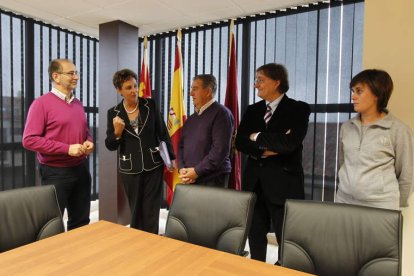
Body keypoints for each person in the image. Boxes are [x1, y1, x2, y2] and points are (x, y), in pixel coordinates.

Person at [235, 63, 310, 262]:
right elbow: (240, 142)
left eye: (260, 79)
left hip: (284, 185)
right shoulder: (252, 110)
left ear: (277, 82)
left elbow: (289, 144)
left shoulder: (298, 109)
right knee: (255, 238)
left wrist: (256, 136)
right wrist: (267, 148)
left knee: (287, 241)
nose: (255, 84)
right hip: (254, 184)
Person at [22, 58, 93, 230]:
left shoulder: (77, 103)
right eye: (71, 73)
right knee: (51, 224)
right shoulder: (41, 104)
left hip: (81, 169)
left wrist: (89, 141)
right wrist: (67, 149)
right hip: (56, 173)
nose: (76, 77)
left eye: (76, 73)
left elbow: (84, 130)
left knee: (81, 222)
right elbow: (29, 139)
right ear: (56, 77)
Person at [105, 69, 175, 233]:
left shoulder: (150, 105)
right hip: (130, 169)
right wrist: (117, 132)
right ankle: (138, 245)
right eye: (128, 87)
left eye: (135, 86)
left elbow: (163, 133)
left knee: (151, 210)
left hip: (153, 165)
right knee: (136, 210)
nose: (134, 90)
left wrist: (170, 157)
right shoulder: (113, 113)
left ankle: (152, 245)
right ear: (119, 90)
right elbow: (110, 145)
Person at [336, 69, 414, 210]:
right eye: (352, 91)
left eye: (359, 91)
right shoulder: (346, 127)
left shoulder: (399, 130)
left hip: (380, 206)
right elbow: (343, 163)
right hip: (344, 201)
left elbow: (407, 174)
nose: (353, 97)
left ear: (377, 94)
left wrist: (396, 207)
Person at [178, 74, 234, 187]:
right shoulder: (191, 119)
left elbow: (219, 150)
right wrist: (182, 169)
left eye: (195, 89)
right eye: (191, 89)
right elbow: (181, 146)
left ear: (208, 92)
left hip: (213, 179)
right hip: (189, 178)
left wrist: (197, 171)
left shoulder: (222, 114)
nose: (191, 93)